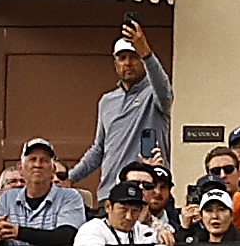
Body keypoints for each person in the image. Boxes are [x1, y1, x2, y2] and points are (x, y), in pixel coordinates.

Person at [68, 21, 173, 205]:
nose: (128, 63)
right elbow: (98, 150)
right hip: (110, 194)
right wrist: (71, 178)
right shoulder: (107, 101)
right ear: (115, 63)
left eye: (134, 57)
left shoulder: (154, 94)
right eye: (122, 58)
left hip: (147, 193)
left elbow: (164, 91)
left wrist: (147, 53)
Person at [0, 140, 88, 246]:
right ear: (20, 168)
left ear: (53, 169)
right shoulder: (6, 198)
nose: (38, 165)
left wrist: (19, 233)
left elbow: (67, 236)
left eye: (44, 160)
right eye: (32, 159)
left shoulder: (70, 197)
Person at [74, 175, 171, 246]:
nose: (129, 217)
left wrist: (161, 236)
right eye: (123, 209)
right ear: (108, 207)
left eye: (135, 211)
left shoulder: (141, 229)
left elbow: (151, 238)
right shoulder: (92, 228)